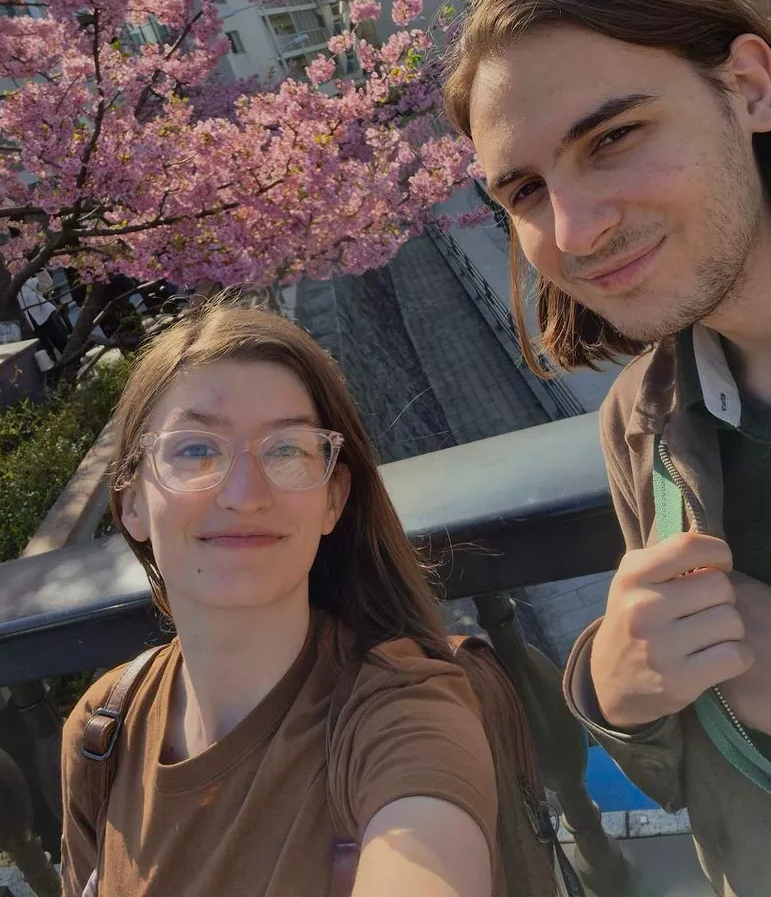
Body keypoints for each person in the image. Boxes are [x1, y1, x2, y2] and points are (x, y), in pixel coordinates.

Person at [444, 0, 771, 896]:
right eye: (526, 192)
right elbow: (704, 779)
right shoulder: (644, 423)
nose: (574, 232)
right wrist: (618, 690)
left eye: (613, 137)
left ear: (749, 90)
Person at [60, 300, 499, 897]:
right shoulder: (102, 730)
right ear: (131, 500)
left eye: (288, 449)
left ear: (333, 499)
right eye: (196, 449)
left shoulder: (400, 712)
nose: (246, 495)